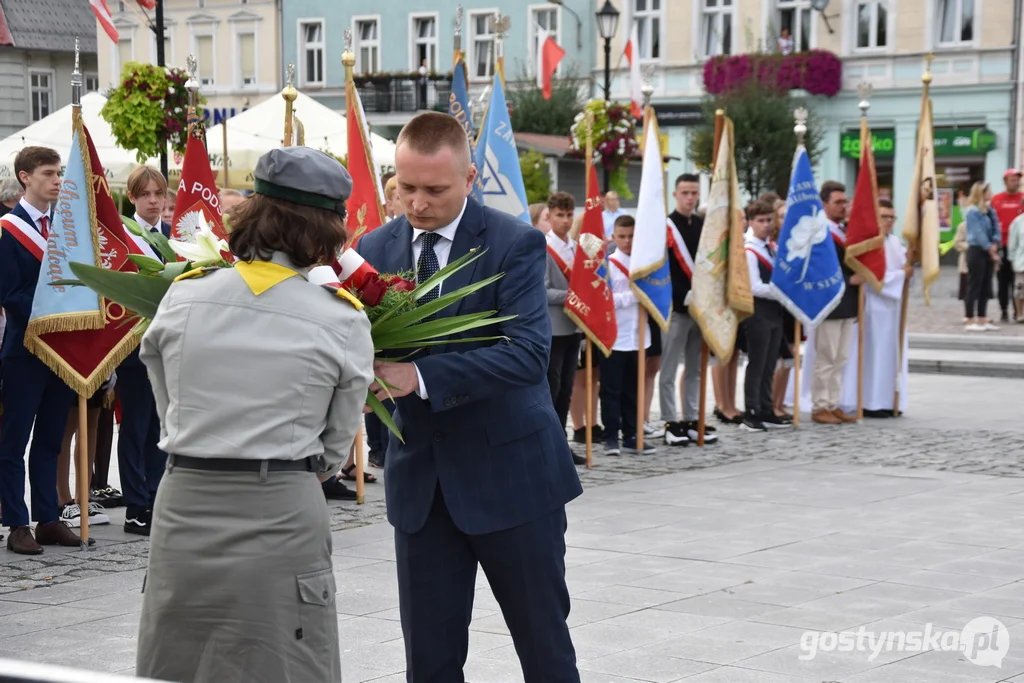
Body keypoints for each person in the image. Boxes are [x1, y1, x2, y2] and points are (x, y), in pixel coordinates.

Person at [356, 111, 582, 683]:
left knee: (544, 648)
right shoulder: (373, 247)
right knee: (429, 662)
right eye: (405, 187)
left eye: (435, 189)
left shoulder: (515, 243)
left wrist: (419, 377)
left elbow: (528, 354)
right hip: (422, 488)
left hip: (512, 477)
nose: (417, 203)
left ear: (471, 177)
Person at [135, 146, 373, 683]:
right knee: (284, 662)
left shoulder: (184, 297)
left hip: (186, 501)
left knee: (178, 660)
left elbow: (165, 403)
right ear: (325, 232)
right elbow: (335, 446)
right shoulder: (340, 318)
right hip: (281, 505)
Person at [0, 146, 87, 554]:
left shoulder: (66, 228)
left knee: (52, 438)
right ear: (25, 177)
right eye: (49, 173)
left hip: (61, 349)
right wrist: (51, 312)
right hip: (24, 348)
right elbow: (10, 292)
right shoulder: (8, 228)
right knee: (15, 438)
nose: (57, 180)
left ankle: (48, 518)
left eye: (59, 173)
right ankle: (18, 523)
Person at [118, 166, 172, 536]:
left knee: (159, 425)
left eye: (159, 194)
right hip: (134, 344)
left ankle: (155, 495)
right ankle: (135, 504)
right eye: (146, 195)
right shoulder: (125, 236)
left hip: (166, 344)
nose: (154, 201)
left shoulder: (171, 237)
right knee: (135, 426)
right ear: (133, 198)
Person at [661, 174, 718, 445]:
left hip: (700, 307)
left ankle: (693, 418)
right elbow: (662, 271)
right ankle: (671, 422)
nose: (690, 197)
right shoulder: (666, 226)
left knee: (696, 367)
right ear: (675, 194)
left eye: (694, 192)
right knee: (669, 368)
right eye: (685, 192)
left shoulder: (703, 225)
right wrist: (682, 295)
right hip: (676, 306)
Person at [602, 216, 658, 455]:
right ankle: (611, 436)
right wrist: (632, 297)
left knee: (633, 389)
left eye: (631, 236)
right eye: (622, 236)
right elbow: (603, 300)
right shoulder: (609, 264)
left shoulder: (644, 266)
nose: (627, 241)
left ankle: (632, 433)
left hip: (639, 336)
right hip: (615, 336)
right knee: (611, 389)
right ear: (614, 238)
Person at [809, 181, 863, 424]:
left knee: (840, 358)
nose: (844, 206)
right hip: (829, 302)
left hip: (847, 302)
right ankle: (820, 405)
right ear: (824, 204)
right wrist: (850, 279)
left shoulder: (843, 230)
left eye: (845, 201)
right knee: (826, 357)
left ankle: (833, 402)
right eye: (838, 202)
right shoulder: (821, 232)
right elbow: (818, 269)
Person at [853, 200, 912, 417]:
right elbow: (872, 276)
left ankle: (890, 399)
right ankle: (872, 401)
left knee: (892, 355)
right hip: (875, 306)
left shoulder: (895, 242)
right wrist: (901, 276)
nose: (888, 221)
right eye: (884, 216)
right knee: (875, 354)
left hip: (894, 308)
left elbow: (904, 270)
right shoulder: (869, 244)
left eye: (891, 217)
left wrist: (908, 272)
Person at [544, 191, 586, 466]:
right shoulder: (543, 247)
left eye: (569, 215)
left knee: (568, 387)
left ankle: (562, 443)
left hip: (575, 327)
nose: (565, 221)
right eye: (559, 215)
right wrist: (572, 295)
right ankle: (548, 445)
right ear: (549, 216)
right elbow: (543, 291)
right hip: (555, 327)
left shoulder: (576, 247)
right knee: (553, 387)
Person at [739, 200, 788, 432]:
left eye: (770, 220)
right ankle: (751, 411)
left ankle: (767, 408)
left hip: (774, 312)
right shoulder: (749, 250)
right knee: (757, 363)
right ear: (750, 222)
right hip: (758, 312)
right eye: (761, 221)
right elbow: (754, 286)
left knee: (770, 363)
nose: (767, 225)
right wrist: (781, 292)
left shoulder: (771, 247)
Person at [963, 181, 1002, 331]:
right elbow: (978, 233)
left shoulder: (989, 209)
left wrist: (995, 242)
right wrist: (989, 248)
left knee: (986, 286)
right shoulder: (973, 211)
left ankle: (982, 318)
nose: (991, 193)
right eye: (988, 191)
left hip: (989, 250)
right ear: (981, 192)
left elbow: (996, 226)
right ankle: (969, 319)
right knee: (975, 285)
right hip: (977, 250)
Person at [991, 169, 1024, 322]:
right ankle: (1004, 309)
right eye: (1012, 180)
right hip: (1002, 245)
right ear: (1005, 182)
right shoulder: (997, 200)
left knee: (1018, 281)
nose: (1015, 183)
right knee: (1003, 280)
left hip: (1019, 248)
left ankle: (1017, 311)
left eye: (1017, 180)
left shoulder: (1022, 198)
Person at [1008, 211, 1024, 321]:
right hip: (1021, 260)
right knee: (1020, 288)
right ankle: (1019, 314)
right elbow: (1012, 243)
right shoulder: (1018, 222)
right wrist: (1012, 259)